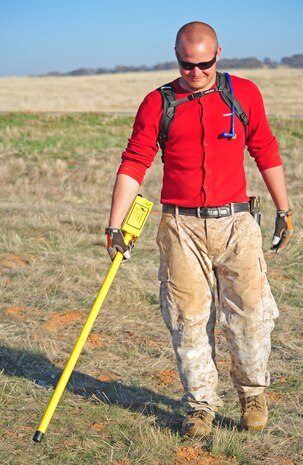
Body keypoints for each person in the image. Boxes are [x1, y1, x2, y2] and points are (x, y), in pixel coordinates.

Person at [105, 21, 293, 437]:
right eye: (186, 64)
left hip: (236, 224)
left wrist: (284, 209)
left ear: (218, 54)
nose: (195, 72)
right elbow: (136, 161)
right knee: (188, 319)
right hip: (180, 226)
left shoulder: (243, 94)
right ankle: (200, 406)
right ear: (176, 57)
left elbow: (264, 148)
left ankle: (252, 396)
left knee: (250, 315)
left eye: (204, 64)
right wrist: (114, 223)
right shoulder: (159, 103)